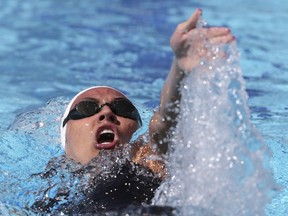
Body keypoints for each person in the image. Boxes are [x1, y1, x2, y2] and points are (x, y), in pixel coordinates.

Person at [31, 9, 235, 214]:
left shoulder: (145, 162)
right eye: (87, 108)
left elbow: (165, 122)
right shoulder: (45, 199)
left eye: (122, 108)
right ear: (65, 142)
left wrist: (180, 68)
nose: (107, 113)